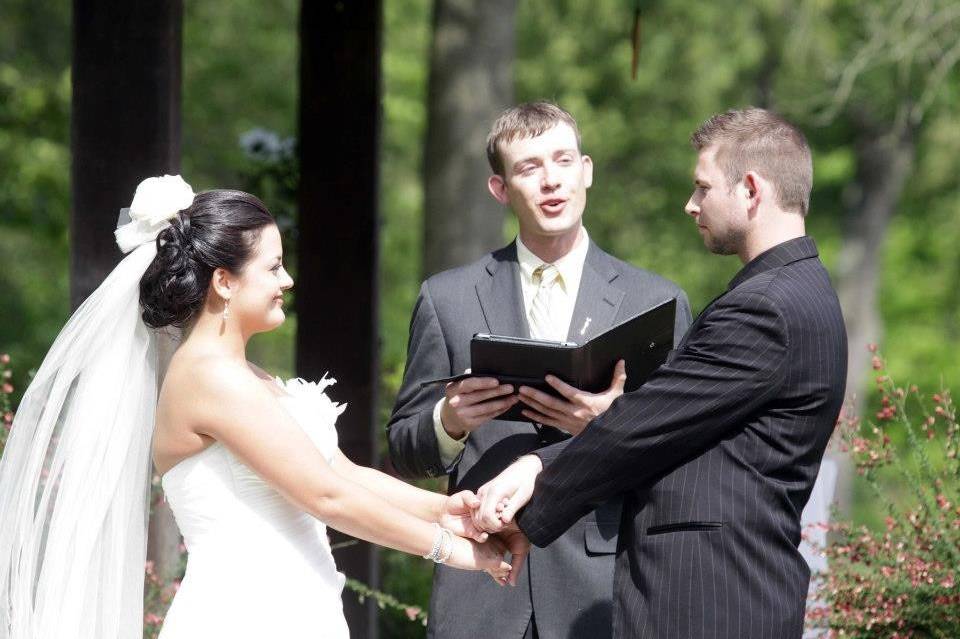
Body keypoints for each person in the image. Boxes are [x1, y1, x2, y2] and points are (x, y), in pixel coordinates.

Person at [0, 176, 515, 639]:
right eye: (273, 267)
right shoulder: (208, 377)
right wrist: (454, 552)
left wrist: (443, 510)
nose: (287, 280)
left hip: (296, 612)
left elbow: (339, 471)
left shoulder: (245, 375)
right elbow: (328, 497)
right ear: (224, 281)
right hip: (245, 617)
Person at [475, 107, 848, 639]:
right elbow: (676, 423)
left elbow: (646, 426)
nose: (690, 204)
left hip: (713, 600)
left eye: (702, 187)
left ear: (749, 189)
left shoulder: (766, 309)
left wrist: (535, 474)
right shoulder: (796, 293)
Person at [387, 102, 691, 639]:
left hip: (604, 590)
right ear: (500, 189)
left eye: (563, 161)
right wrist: (449, 422)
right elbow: (406, 451)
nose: (551, 181)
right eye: (529, 167)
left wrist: (611, 424)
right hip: (480, 588)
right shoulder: (446, 298)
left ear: (587, 170)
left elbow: (685, 454)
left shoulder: (656, 302)